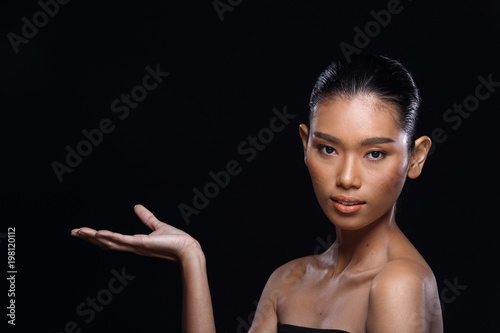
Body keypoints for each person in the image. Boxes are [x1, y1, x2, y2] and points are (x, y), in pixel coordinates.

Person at [71, 54, 444, 333]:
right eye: (328, 149)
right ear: (305, 144)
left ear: (416, 157)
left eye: (375, 153)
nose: (347, 177)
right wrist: (191, 259)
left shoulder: (398, 284)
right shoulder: (289, 280)